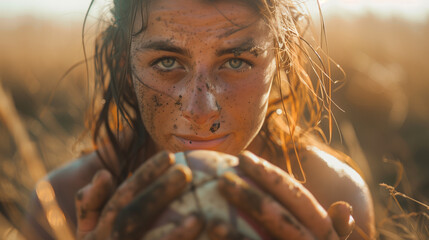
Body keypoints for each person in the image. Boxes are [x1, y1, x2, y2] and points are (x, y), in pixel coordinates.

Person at [22, 0, 375, 239]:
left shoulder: (333, 197)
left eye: (236, 63)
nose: (201, 109)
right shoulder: (65, 202)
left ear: (279, 60)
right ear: (123, 65)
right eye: (166, 62)